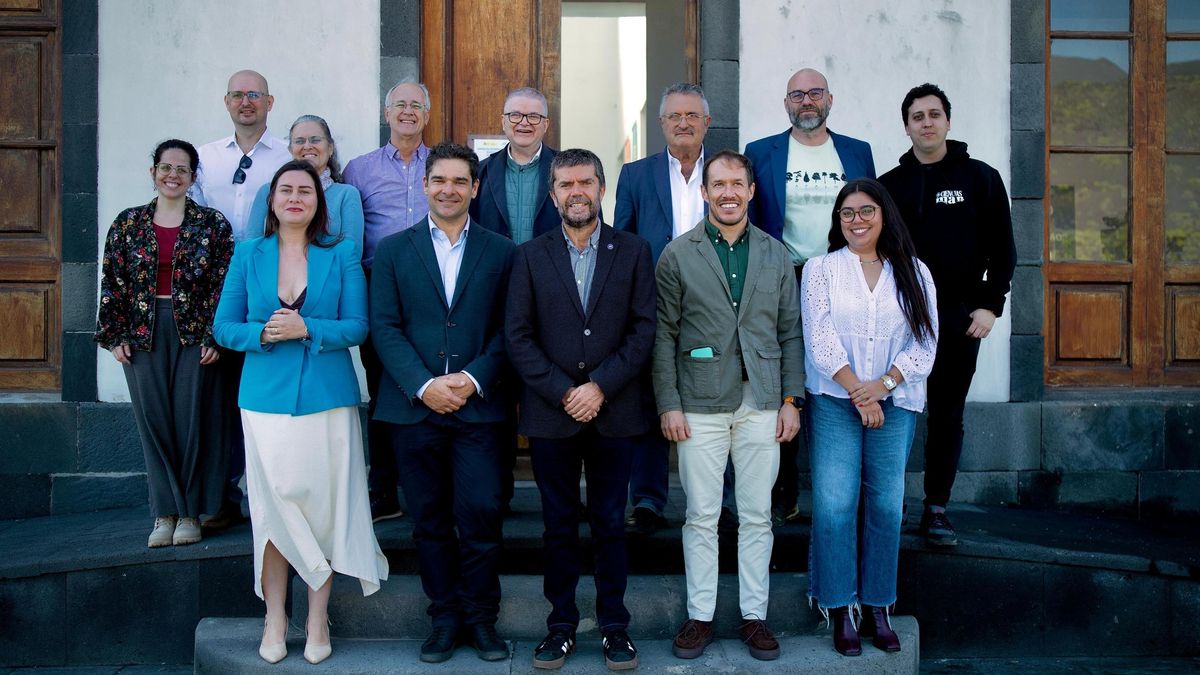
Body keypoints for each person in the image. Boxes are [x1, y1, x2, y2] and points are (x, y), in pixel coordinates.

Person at [213, 160, 388, 666]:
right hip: (264, 401)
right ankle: (274, 616)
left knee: (323, 511)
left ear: (319, 202)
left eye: (305, 190)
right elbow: (224, 327)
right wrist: (263, 334)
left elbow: (358, 326)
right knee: (273, 510)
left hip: (328, 401)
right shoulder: (248, 255)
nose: (295, 197)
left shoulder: (343, 255)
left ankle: (316, 618)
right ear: (271, 201)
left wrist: (308, 328)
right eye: (285, 189)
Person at [506, 149, 655, 671]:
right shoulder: (529, 255)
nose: (576, 192)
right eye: (566, 184)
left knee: (611, 522)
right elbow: (518, 337)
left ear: (601, 189)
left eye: (585, 183)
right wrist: (565, 390)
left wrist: (600, 387)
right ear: (552, 194)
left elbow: (644, 330)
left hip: (615, 413)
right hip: (552, 416)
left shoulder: (633, 251)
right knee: (558, 524)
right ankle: (560, 626)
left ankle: (615, 626)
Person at [369, 143, 516, 664]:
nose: (449, 189)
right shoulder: (391, 250)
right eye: (439, 180)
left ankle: (481, 620)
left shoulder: (503, 251)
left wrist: (472, 379)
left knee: (480, 513)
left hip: (480, 407)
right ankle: (444, 619)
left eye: (460, 181)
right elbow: (383, 328)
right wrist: (425, 385)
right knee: (428, 519)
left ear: (475, 188)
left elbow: (510, 330)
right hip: (414, 408)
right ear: (426, 186)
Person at [653, 150, 803, 662]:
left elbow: (791, 332)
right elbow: (664, 335)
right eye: (718, 184)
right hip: (698, 401)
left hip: (763, 400)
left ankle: (754, 617)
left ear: (751, 191)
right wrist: (668, 403)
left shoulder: (776, 254)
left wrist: (790, 399)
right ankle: (700, 617)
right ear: (705, 192)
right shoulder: (677, 254)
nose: (728, 193)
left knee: (758, 515)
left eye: (737, 184)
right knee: (701, 514)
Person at [801, 178, 938, 656]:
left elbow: (925, 343)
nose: (857, 220)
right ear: (838, 222)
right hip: (837, 400)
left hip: (895, 403)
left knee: (885, 506)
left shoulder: (915, 272)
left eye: (866, 211)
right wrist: (859, 392)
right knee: (836, 503)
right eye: (847, 213)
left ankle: (878, 606)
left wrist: (883, 387)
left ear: (884, 216)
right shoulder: (821, 270)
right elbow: (818, 339)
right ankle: (840, 607)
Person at [878, 83, 1016, 548]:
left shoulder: (980, 177)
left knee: (947, 414)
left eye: (934, 114)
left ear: (948, 121)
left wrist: (990, 305)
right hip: (899, 320)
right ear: (907, 126)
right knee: (892, 409)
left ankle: (936, 507)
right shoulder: (890, 186)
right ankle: (886, 503)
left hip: (958, 320)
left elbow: (1004, 249)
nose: (927, 122)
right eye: (917, 116)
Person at [744, 67, 876, 527]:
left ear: (830, 99)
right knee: (789, 375)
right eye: (797, 94)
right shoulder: (761, 152)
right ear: (786, 103)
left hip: (844, 274)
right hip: (786, 275)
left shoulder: (857, 152)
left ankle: (843, 492)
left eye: (815, 93)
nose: (806, 101)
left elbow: (870, 214)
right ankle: (785, 492)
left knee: (845, 370)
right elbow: (754, 220)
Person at [95, 139, 234, 548]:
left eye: (182, 169)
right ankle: (164, 513)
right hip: (141, 331)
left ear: (193, 178)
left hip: (194, 331)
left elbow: (224, 286)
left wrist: (216, 336)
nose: (173, 175)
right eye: (166, 167)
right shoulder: (127, 224)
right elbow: (112, 281)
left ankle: (190, 512)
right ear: (153, 171)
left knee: (192, 422)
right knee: (154, 422)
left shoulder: (212, 225)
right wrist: (114, 334)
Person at [193, 69, 292, 531]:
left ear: (270, 102)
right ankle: (220, 495)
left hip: (268, 288)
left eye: (254, 95)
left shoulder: (288, 158)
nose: (246, 102)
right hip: (215, 289)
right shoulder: (205, 159)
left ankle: (264, 494)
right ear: (226, 101)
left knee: (260, 395)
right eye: (238, 95)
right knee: (218, 398)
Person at [614, 82, 713, 537]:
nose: (683, 123)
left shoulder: (728, 172)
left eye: (692, 115)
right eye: (674, 116)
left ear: (707, 123)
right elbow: (623, 245)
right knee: (651, 399)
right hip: (654, 304)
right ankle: (649, 499)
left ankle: (717, 501)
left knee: (716, 400)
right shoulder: (635, 175)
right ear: (661, 125)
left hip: (717, 307)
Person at [344, 79, 433, 523]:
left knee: (434, 377)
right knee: (383, 388)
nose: (407, 111)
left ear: (427, 115)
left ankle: (433, 489)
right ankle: (383, 490)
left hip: (439, 290)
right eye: (399, 104)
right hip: (379, 286)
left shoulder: (442, 163)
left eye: (416, 105)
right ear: (386, 113)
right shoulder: (358, 170)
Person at [469, 86, 562, 513]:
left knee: (549, 397)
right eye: (516, 115)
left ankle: (556, 496)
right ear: (504, 121)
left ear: (546, 123)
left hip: (552, 300)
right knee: (497, 399)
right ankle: (498, 492)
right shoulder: (481, 173)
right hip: (495, 299)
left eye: (534, 116)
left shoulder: (564, 170)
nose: (524, 123)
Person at [248, 115, 364, 252]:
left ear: (330, 148)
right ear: (291, 150)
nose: (307, 146)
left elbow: (352, 252)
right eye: (299, 141)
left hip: (330, 273)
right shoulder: (268, 192)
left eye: (315, 140)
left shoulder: (346, 195)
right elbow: (251, 246)